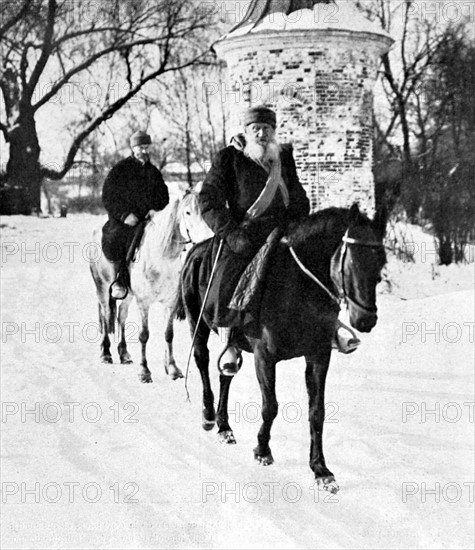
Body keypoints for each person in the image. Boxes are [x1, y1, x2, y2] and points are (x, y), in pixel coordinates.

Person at [198, 106, 310, 374]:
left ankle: (326, 329)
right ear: (246, 131)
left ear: (274, 131)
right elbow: (208, 200)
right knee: (225, 280)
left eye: (267, 129)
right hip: (244, 235)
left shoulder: (283, 157)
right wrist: (231, 233)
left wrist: (299, 221)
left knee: (314, 269)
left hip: (283, 233)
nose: (261, 133)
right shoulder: (229, 158)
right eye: (255, 129)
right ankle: (229, 341)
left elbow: (297, 195)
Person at [102, 130, 169, 299]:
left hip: (148, 219)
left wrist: (156, 210)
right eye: (141, 147)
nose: (144, 151)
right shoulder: (120, 170)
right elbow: (109, 196)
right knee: (117, 238)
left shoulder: (153, 172)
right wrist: (125, 215)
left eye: (147, 147)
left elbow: (163, 196)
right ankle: (120, 278)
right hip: (125, 219)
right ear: (133, 149)